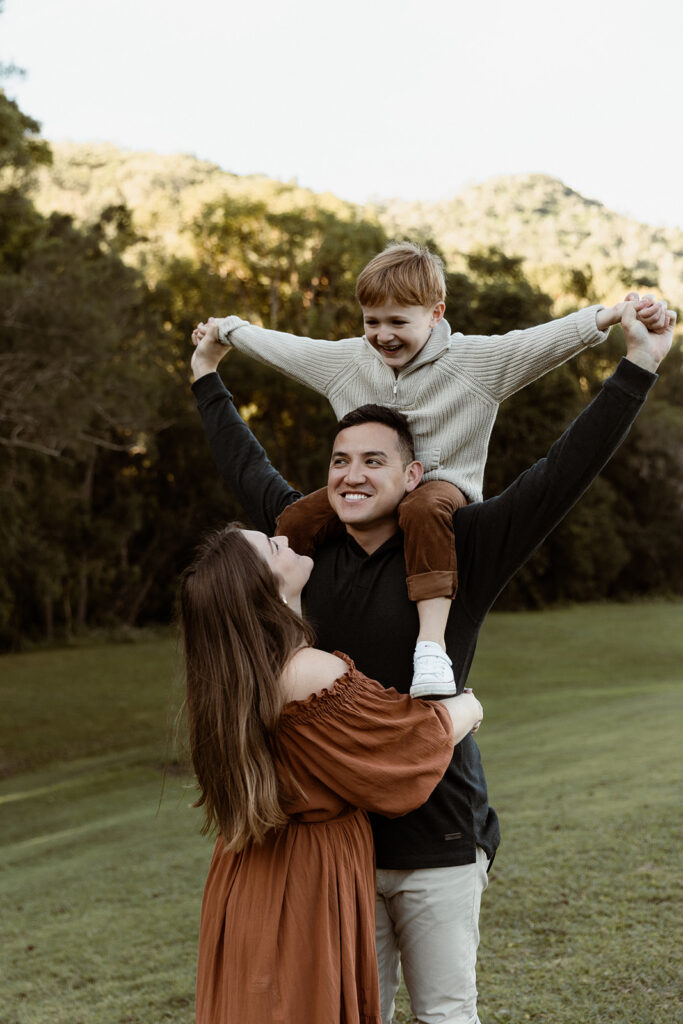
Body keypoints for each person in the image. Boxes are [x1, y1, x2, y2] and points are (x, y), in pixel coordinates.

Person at [189, 297, 675, 1024]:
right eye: (339, 462)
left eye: (374, 461)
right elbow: (241, 459)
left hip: (440, 838)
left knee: (446, 1014)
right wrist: (205, 377)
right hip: (338, 854)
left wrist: (637, 365)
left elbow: (558, 475)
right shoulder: (295, 554)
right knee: (361, 1014)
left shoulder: (462, 547)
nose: (352, 475)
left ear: (413, 474)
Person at [193, 242, 667, 699]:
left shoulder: (474, 364)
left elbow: (538, 344)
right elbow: (286, 351)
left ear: (436, 314)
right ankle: (281, 633)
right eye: (371, 322)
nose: (383, 335)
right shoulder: (350, 363)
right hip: (364, 517)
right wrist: (228, 333)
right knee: (294, 519)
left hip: (442, 493)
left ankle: (431, 645)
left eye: (398, 321)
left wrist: (607, 319)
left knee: (421, 509)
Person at [179, 521, 483, 1024]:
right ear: (262, 589)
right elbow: (406, 747)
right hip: (306, 879)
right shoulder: (308, 673)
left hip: (246, 876)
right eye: (274, 547)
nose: (288, 540)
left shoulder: (228, 679)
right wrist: (468, 708)